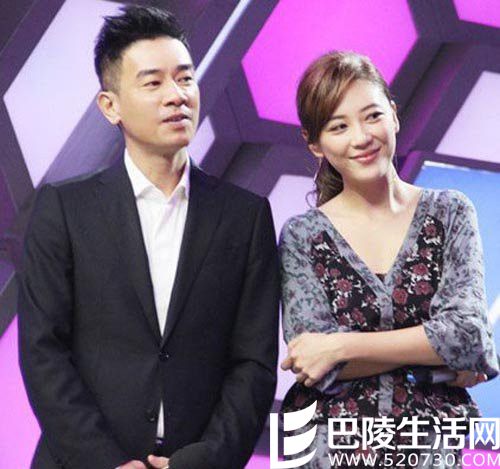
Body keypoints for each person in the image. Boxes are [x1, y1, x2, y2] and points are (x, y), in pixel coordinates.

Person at [18, 6, 279, 469]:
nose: (176, 96)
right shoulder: (65, 209)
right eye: (153, 83)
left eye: (185, 78)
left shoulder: (245, 216)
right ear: (110, 106)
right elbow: (43, 352)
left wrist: (202, 461)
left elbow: (253, 363)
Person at [279, 51, 498, 468]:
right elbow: (313, 363)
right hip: (327, 447)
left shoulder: (450, 212)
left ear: (394, 116)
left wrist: (342, 345)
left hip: (429, 444)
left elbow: (468, 336)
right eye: (339, 126)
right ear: (314, 143)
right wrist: (435, 355)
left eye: (372, 116)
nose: (361, 137)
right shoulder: (302, 235)